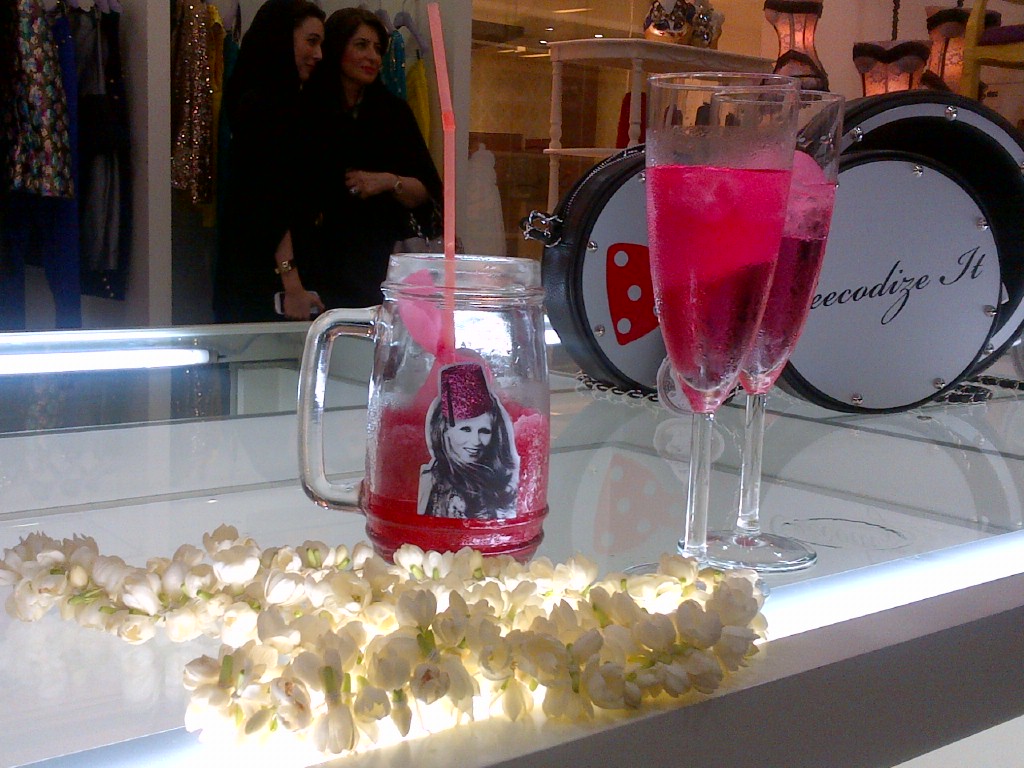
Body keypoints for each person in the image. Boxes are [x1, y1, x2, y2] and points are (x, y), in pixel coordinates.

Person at [308, 7, 443, 308]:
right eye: (361, 45)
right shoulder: (307, 108)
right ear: (337, 47)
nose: (373, 57)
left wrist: (388, 182)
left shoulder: (393, 114)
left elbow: (427, 191)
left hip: (379, 265)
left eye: (378, 48)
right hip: (315, 266)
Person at [214, 0, 326, 322]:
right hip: (265, 277)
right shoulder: (262, 105)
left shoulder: (288, 101)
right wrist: (291, 281)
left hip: (272, 270)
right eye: (310, 41)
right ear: (281, 39)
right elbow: (268, 199)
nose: (319, 54)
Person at [418, 363, 520, 521]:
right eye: (465, 429)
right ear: (444, 430)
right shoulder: (430, 482)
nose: (476, 441)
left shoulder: (502, 483)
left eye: (484, 431)